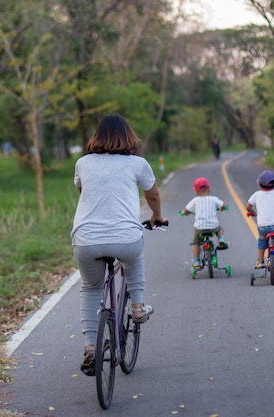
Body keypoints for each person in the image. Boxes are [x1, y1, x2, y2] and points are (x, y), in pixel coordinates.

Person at [71, 113, 167, 376]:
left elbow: (85, 192)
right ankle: (137, 307)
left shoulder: (83, 163)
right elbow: (153, 195)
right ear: (129, 136)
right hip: (125, 237)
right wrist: (157, 217)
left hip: (86, 240)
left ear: (97, 137)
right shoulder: (138, 163)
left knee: (91, 287)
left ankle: (91, 347)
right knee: (134, 253)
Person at [180, 177, 228, 268]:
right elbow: (223, 205)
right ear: (209, 189)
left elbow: (186, 210)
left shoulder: (195, 200)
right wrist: (223, 208)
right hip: (213, 226)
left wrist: (184, 213)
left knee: (196, 243)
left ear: (196, 191)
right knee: (220, 229)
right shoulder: (213, 199)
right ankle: (221, 239)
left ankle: (196, 261)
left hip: (200, 228)